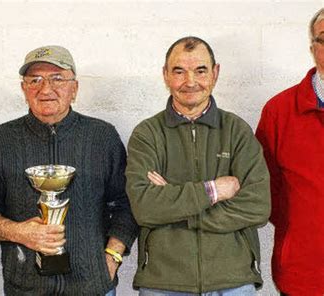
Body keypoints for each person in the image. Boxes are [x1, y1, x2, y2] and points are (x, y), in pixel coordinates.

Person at [0, 45, 138, 295]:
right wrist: (17, 232)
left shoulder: (102, 137)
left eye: (57, 78)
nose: (45, 89)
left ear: (74, 88)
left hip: (93, 288)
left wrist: (111, 258)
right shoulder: (0, 140)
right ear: (24, 89)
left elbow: (127, 203)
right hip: (26, 289)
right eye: (35, 80)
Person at [125, 37, 271, 295]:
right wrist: (212, 192)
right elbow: (145, 208)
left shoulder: (236, 131)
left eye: (200, 70)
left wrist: (176, 207)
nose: (190, 81)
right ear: (165, 75)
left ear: (215, 73)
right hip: (163, 284)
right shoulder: (147, 134)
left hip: (233, 283)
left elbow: (258, 206)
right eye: (179, 71)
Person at [255, 8, 324, 296]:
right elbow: (263, 187)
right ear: (313, 49)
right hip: (303, 273)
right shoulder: (279, 111)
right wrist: (302, 228)